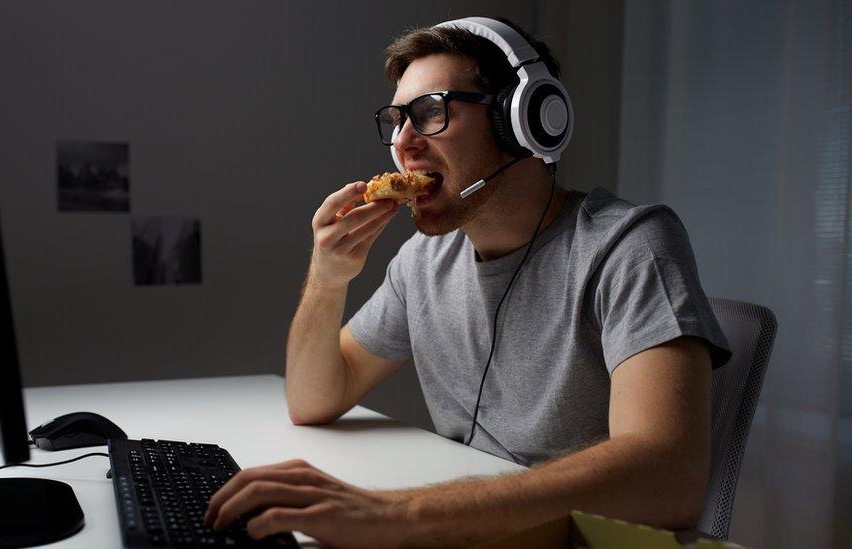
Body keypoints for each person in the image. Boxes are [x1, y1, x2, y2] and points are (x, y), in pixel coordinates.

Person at [204, 16, 731, 547]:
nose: (403, 143)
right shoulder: (423, 261)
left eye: (431, 113)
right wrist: (327, 278)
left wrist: (399, 514)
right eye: (395, 120)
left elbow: (671, 479)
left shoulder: (629, 246)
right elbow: (313, 399)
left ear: (521, 120)